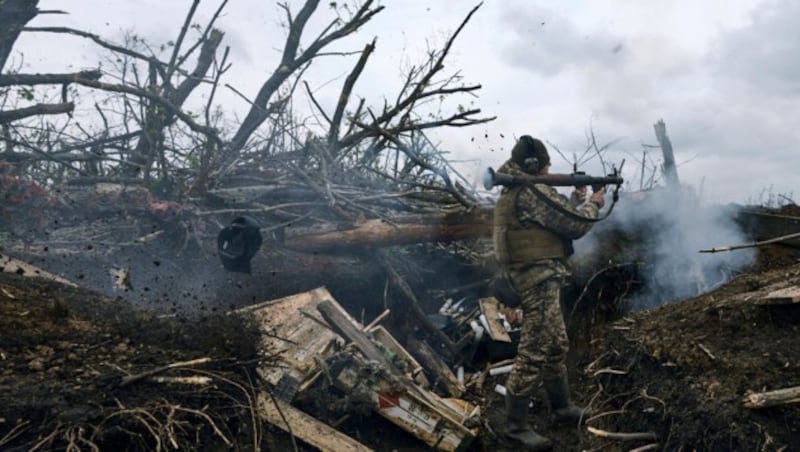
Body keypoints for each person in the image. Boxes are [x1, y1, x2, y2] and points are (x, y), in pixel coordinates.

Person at [492, 135, 605, 451]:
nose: (548, 169)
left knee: (556, 343)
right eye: (546, 165)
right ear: (534, 165)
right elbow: (575, 225)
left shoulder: (516, 190)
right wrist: (593, 204)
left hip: (535, 277)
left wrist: (573, 201)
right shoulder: (531, 191)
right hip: (537, 280)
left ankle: (562, 408)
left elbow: (549, 221)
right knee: (536, 350)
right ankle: (515, 428)